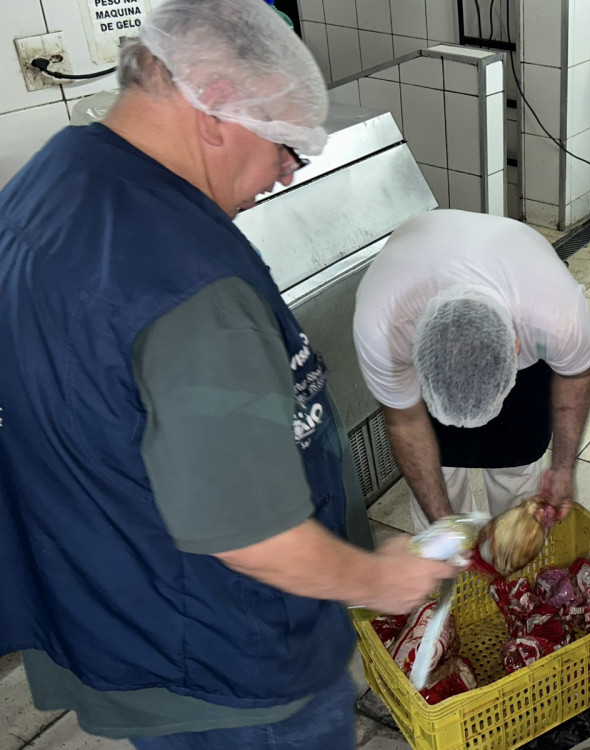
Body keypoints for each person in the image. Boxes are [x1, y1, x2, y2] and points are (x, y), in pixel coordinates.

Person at [0, 1, 459, 746]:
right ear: (212, 106)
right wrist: (382, 579)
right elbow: (256, 538)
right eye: (286, 148)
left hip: (119, 606)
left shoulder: (51, 178)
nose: (284, 176)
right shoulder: (188, 286)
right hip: (228, 666)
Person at [352, 210, 590, 531]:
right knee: (441, 472)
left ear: (517, 347)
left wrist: (564, 470)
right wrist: (443, 527)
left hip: (518, 274)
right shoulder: (381, 329)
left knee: (515, 472)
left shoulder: (558, 318)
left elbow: (576, 378)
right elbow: (405, 421)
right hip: (420, 260)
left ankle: (514, 554)